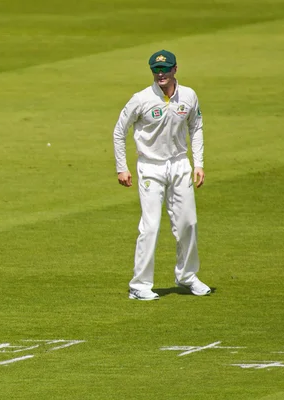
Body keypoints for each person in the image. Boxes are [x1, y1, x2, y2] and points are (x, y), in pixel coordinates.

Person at [112, 49, 211, 301]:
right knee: (151, 226)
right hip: (151, 166)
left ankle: (188, 276)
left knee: (188, 223)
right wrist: (121, 167)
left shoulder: (188, 95)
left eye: (165, 69)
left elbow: (196, 127)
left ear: (175, 69)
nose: (160, 74)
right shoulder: (141, 99)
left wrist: (198, 163)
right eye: (156, 70)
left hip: (179, 165)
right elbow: (119, 131)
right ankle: (140, 284)